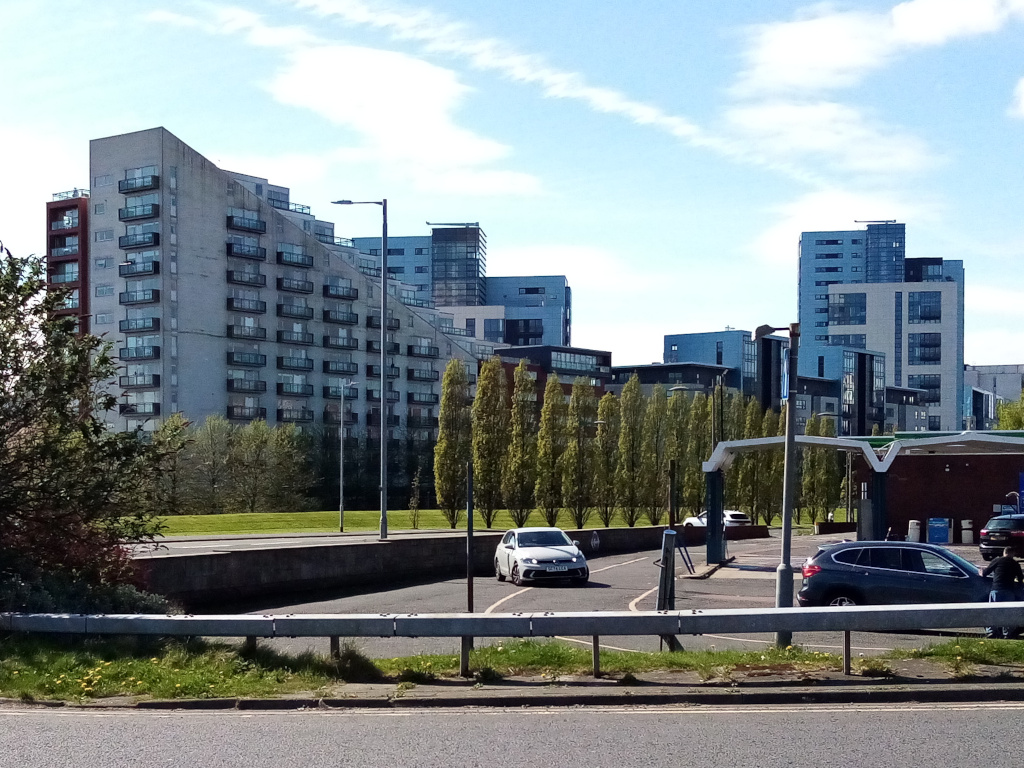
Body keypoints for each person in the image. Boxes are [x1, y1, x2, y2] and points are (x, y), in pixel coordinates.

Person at [980, 546, 1023, 639]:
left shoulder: (997, 560)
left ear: (1004, 552)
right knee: (1008, 612)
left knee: (993, 610)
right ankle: (1007, 633)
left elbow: (986, 572)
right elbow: (1020, 579)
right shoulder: (1015, 564)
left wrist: (981, 572)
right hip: (1009, 591)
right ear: (1012, 553)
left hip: (997, 589)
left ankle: (991, 631)